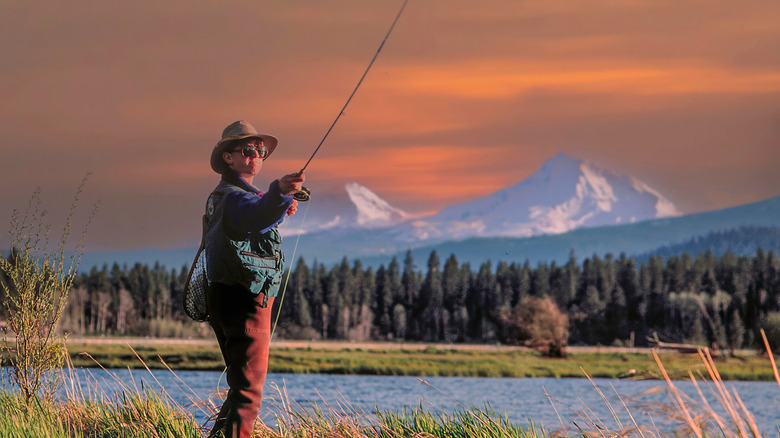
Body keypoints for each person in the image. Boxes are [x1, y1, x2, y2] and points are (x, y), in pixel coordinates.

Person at [204, 120, 304, 437]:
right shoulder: (233, 197)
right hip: (245, 299)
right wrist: (280, 193)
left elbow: (257, 214)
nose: (256, 156)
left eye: (260, 150)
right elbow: (254, 213)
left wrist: (278, 203)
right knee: (249, 392)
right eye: (248, 150)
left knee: (240, 387)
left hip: (227, 296)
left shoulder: (228, 196)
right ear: (228, 158)